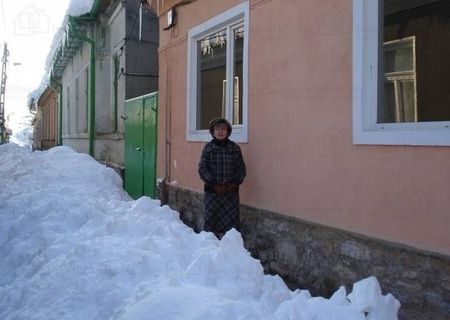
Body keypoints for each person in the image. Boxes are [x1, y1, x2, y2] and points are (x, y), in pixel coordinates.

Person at [198, 118, 246, 239]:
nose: (220, 131)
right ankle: (210, 251)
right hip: (212, 194)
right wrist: (214, 185)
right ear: (213, 131)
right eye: (217, 129)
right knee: (210, 226)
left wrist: (234, 183)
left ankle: (230, 251)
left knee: (232, 228)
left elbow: (241, 168)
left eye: (223, 129)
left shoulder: (234, 148)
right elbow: (202, 169)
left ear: (228, 131)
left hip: (231, 194)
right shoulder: (208, 148)